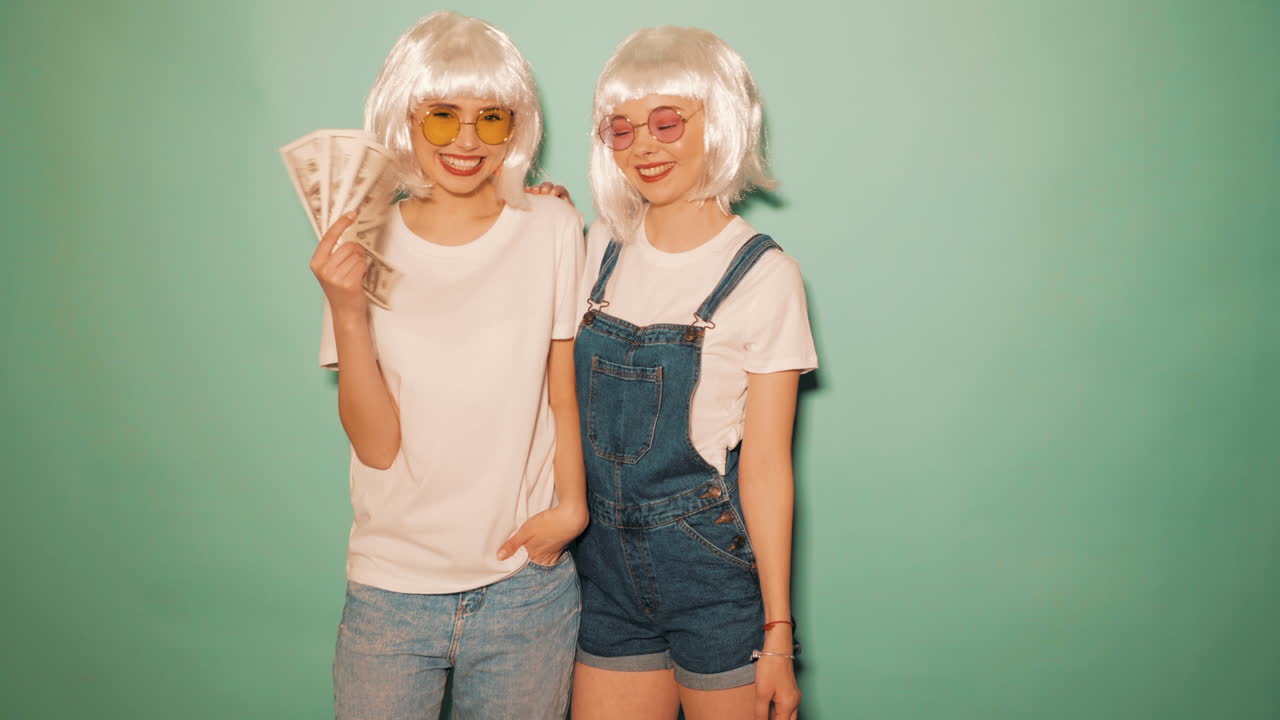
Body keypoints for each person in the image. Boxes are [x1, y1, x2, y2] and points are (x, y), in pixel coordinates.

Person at [308, 11, 585, 719]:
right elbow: (376, 445)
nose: (467, 141)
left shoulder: (552, 225)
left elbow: (563, 386)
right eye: (442, 117)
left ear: (515, 126)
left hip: (526, 591)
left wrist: (571, 509)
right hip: (391, 593)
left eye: (491, 118)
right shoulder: (361, 237)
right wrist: (345, 308)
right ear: (407, 118)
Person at [568, 26, 817, 720]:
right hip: (603, 575)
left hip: (711, 576)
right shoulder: (596, 248)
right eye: (622, 129)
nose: (645, 145)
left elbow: (767, 468)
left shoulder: (767, 277)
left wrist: (777, 636)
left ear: (723, 121)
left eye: (668, 122)